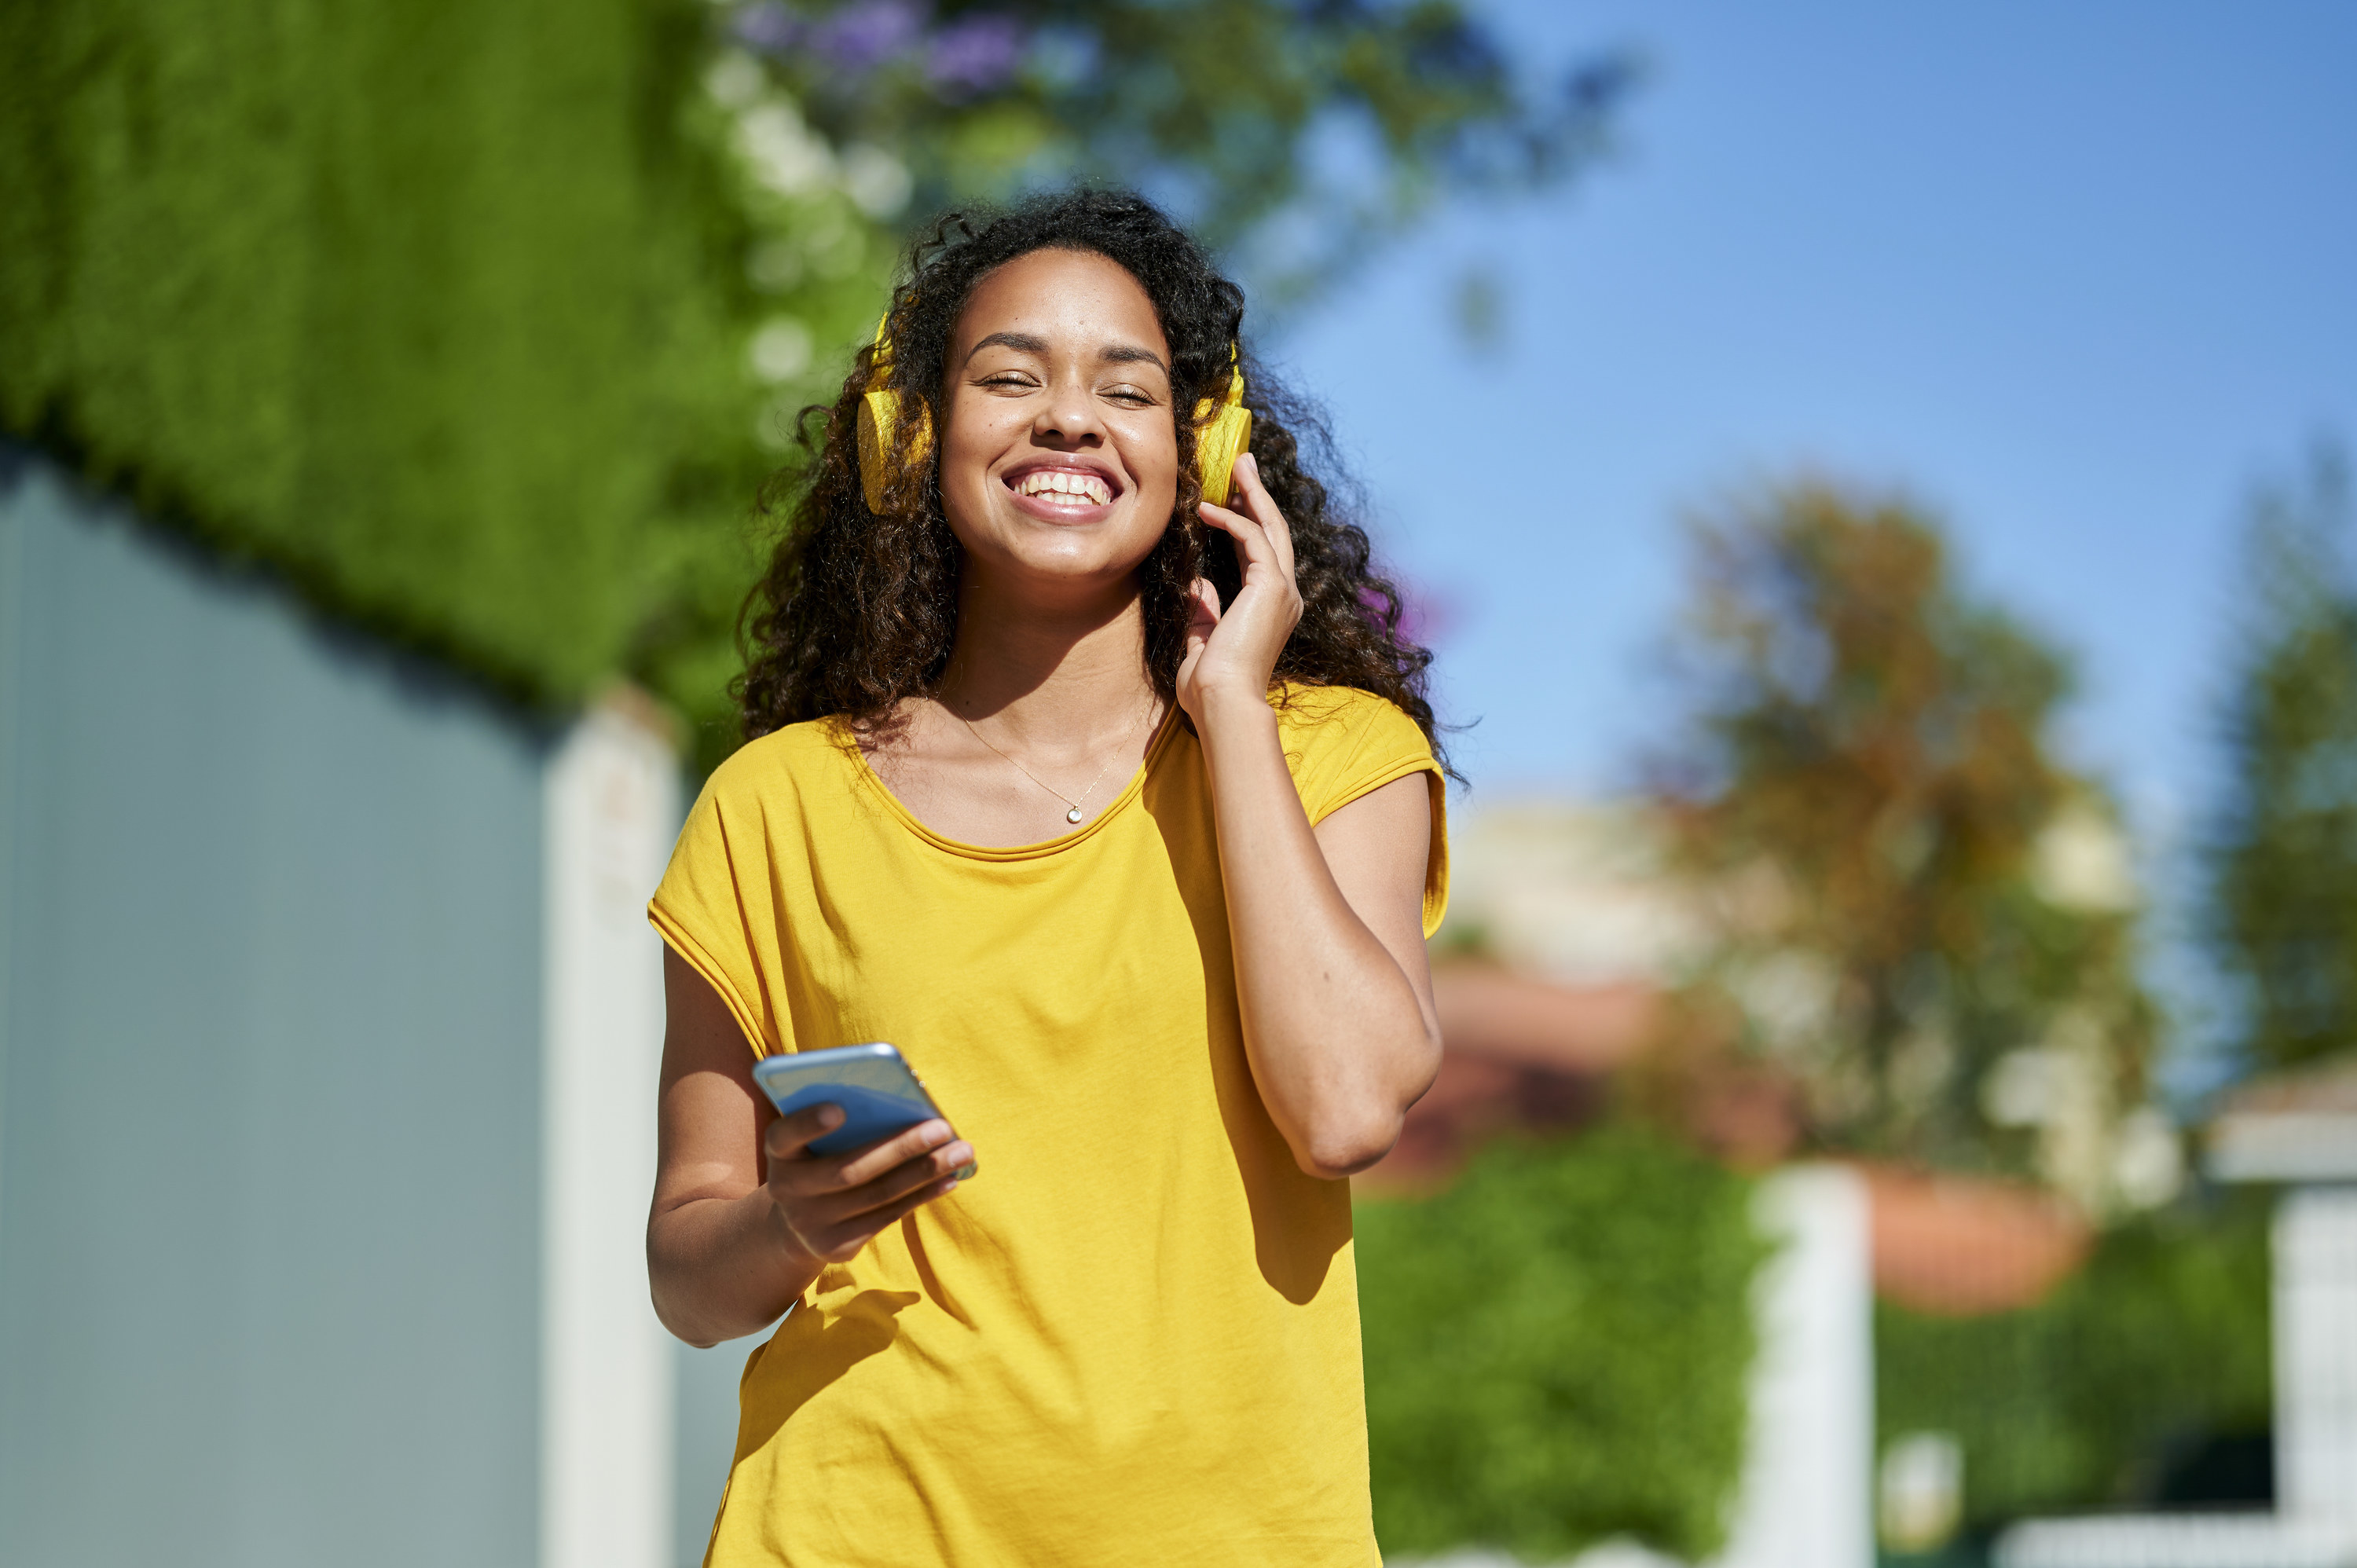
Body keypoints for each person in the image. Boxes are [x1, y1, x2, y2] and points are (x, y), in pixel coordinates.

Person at [646, 188, 1449, 1567]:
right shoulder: (769, 808)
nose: (1068, 417)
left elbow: (1345, 1110)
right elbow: (688, 1274)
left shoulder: (1331, 760)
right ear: (915, 438)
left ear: (1204, 448)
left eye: (1125, 389)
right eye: (1008, 376)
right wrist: (790, 1224)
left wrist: (1236, 712)